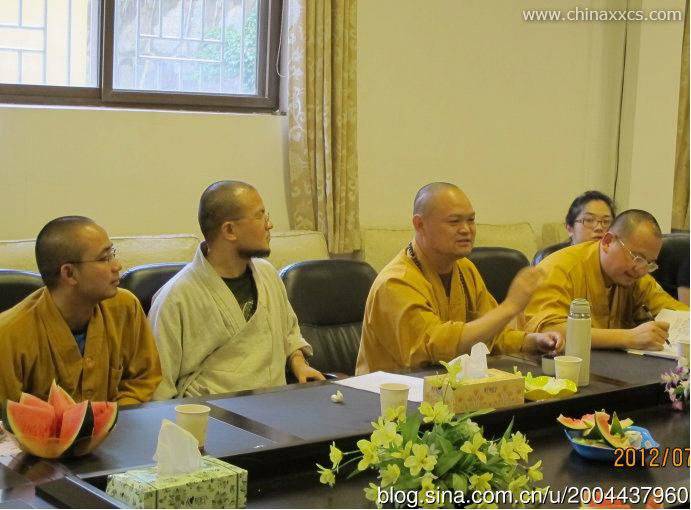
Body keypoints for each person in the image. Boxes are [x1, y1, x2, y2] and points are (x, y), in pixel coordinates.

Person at [355, 182, 563, 374]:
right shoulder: (395, 282)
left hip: (449, 388)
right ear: (419, 224)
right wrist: (510, 307)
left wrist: (532, 341)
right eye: (454, 221)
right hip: (388, 394)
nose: (466, 230)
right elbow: (434, 348)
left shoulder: (464, 269)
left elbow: (490, 334)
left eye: (471, 220)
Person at [150, 181, 324, 399]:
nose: (269, 225)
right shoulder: (176, 297)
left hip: (277, 405)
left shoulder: (267, 274)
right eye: (260, 216)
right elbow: (160, 387)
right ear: (230, 230)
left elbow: (289, 332)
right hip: (212, 415)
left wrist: (298, 363)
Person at [0, 216, 161, 404]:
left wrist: (113, 414)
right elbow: (7, 412)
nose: (117, 266)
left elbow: (143, 379)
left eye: (113, 254)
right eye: (104, 258)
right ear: (69, 273)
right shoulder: (9, 335)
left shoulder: (126, 307)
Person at [525, 210, 689, 351]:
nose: (640, 269)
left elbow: (679, 314)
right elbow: (548, 330)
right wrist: (629, 337)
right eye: (636, 257)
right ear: (607, 242)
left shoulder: (637, 279)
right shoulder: (560, 268)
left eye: (649, 263)